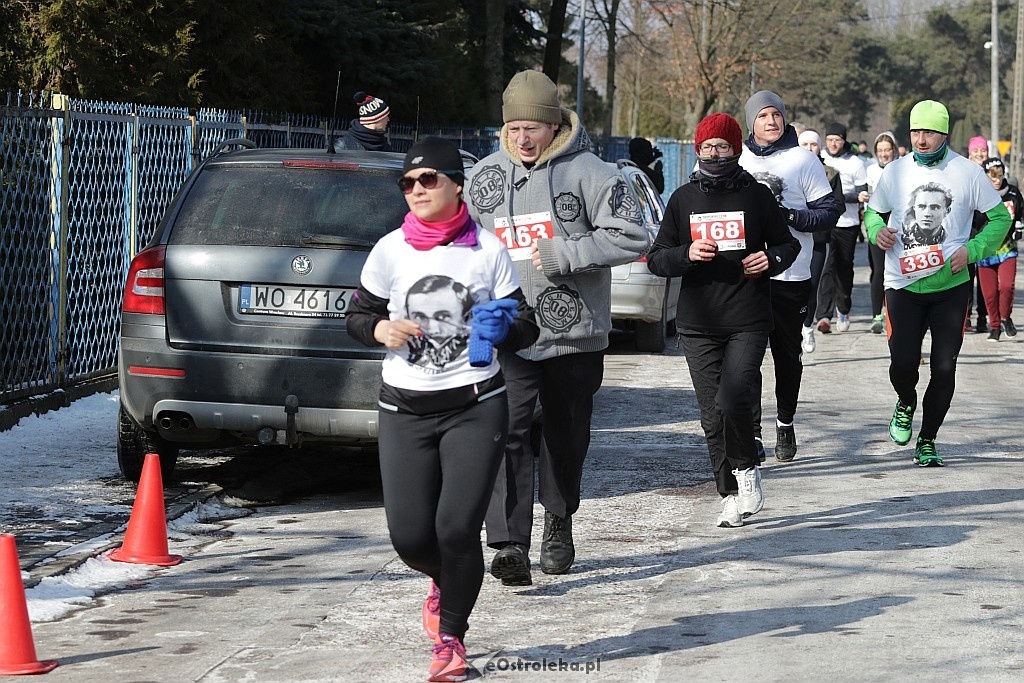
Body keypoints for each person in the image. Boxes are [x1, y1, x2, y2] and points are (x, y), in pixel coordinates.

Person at [346, 136, 539, 681]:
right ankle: (444, 579)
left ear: (456, 184)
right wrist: (379, 327)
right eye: (407, 182)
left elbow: (526, 326)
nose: (416, 190)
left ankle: (451, 641)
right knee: (410, 538)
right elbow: (357, 317)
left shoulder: (487, 250)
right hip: (404, 407)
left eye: (428, 179)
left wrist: (506, 327)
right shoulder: (390, 251)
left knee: (456, 531)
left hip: (476, 404)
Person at [465, 70, 651, 585]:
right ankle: (507, 544)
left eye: (533, 128)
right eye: (514, 128)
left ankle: (559, 520)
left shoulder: (592, 173)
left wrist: (565, 253)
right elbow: (465, 247)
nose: (523, 139)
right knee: (506, 431)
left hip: (575, 335)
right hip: (508, 335)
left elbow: (634, 234)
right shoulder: (484, 177)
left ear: (554, 126)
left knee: (565, 438)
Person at [647, 113, 799, 527]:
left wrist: (771, 259)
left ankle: (747, 470)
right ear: (697, 150)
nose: (715, 154)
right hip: (697, 322)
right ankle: (729, 493)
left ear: (737, 149)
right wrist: (686, 255)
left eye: (723, 146)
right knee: (711, 414)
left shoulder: (757, 196)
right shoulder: (683, 199)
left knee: (733, 399)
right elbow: (658, 258)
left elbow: (788, 244)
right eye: (707, 147)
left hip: (748, 316)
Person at [864, 100, 1009, 467]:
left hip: (950, 288)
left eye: (929, 132)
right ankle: (905, 401)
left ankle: (927, 439)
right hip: (902, 285)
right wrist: (878, 231)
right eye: (915, 132)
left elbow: (999, 220)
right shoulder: (895, 171)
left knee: (945, 367)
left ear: (943, 133)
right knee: (902, 364)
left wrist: (973, 249)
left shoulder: (967, 172)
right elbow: (872, 213)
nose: (921, 140)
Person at [739, 90, 841, 462]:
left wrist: (794, 218)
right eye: (763, 115)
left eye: (777, 115)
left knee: (786, 355)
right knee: (746, 356)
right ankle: (752, 431)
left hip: (791, 273)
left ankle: (785, 422)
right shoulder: (739, 157)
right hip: (746, 274)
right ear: (752, 121)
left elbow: (829, 212)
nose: (771, 121)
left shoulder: (803, 161)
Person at [815, 122, 868, 333]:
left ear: (844, 140)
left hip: (848, 223)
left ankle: (843, 309)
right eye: (829, 140)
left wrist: (841, 198)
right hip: (826, 223)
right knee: (826, 267)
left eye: (837, 140)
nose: (833, 144)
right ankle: (823, 316)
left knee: (844, 267)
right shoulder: (821, 160)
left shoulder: (855, 163)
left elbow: (863, 194)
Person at [797, 129, 845, 353]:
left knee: (812, 284)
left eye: (813, 144)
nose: (809, 148)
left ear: (819, 147)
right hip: (791, 238)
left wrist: (815, 215)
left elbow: (837, 205)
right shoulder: (789, 170)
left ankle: (807, 326)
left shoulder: (830, 174)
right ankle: (791, 327)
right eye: (804, 144)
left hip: (817, 239)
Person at [976, 157, 1022, 341]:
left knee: (1006, 286)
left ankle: (1005, 318)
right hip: (985, 250)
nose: (996, 181)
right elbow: (971, 221)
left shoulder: (1013, 193)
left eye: (1000, 176)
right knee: (989, 293)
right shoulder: (979, 195)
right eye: (992, 177)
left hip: (1007, 248)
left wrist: (1019, 226)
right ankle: (994, 326)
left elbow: (1021, 213)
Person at [864, 132, 900, 333]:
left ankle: (894, 311)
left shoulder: (902, 168)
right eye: (880, 150)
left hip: (898, 222)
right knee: (879, 270)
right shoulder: (870, 170)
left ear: (894, 150)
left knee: (896, 268)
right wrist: (863, 195)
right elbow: (864, 190)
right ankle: (877, 314)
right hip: (876, 221)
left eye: (887, 150)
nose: (884, 154)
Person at [965, 136, 991, 332]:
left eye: (982, 150)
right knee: (967, 276)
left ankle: (983, 316)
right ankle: (965, 315)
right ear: (969, 153)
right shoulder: (965, 173)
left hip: (986, 230)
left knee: (984, 278)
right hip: (967, 229)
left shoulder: (993, 172)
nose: (979, 154)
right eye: (976, 151)